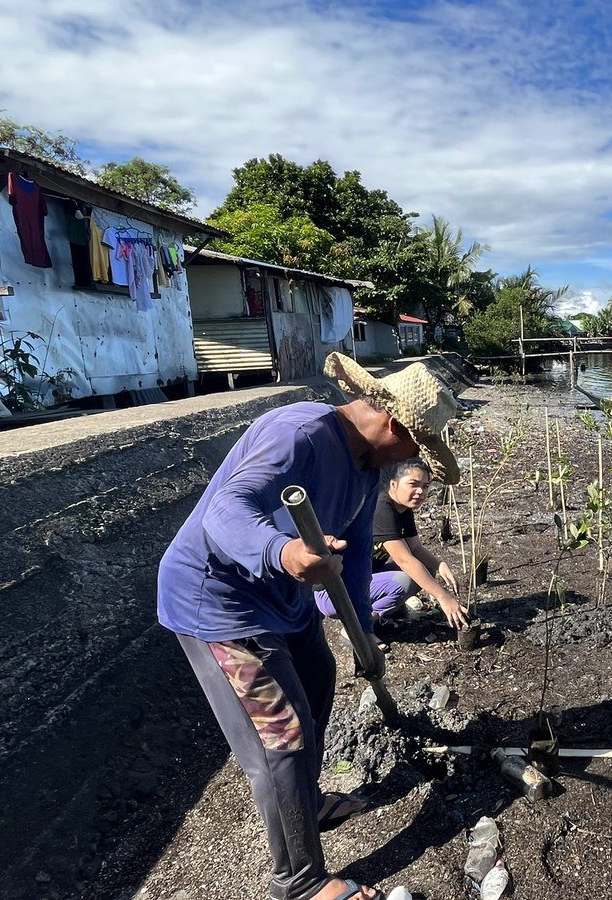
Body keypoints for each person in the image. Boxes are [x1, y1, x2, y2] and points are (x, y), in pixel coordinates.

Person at [157, 353, 460, 900]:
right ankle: (298, 882)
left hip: (284, 600)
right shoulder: (299, 433)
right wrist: (281, 552)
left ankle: (304, 800)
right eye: (418, 446)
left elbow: (361, 546)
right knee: (283, 735)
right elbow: (225, 508)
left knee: (319, 679)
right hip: (221, 602)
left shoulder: (367, 466)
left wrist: (362, 626)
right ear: (394, 424)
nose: (417, 459)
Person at [316, 456, 468, 631]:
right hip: (334, 592)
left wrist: (440, 565)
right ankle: (358, 628)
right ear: (393, 484)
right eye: (413, 484)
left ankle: (382, 613)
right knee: (406, 579)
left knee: (427, 569)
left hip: (361, 578)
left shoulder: (402, 508)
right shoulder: (381, 508)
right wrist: (443, 597)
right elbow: (404, 559)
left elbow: (415, 548)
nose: (420, 492)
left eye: (425, 486)